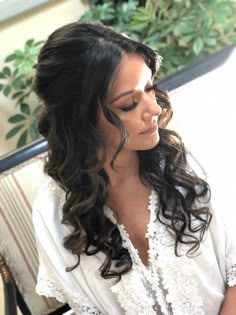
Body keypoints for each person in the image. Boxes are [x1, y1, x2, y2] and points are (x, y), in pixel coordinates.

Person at [32, 21, 236, 315]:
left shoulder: (191, 161)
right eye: (129, 104)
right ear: (81, 120)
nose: (154, 109)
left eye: (150, 89)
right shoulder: (53, 213)